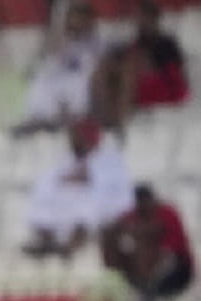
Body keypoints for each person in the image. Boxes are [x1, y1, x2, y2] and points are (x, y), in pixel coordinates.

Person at [24, 120, 132, 257]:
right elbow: (54, 176)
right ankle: (46, 242)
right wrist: (69, 178)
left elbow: (107, 184)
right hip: (70, 198)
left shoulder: (108, 157)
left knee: (84, 210)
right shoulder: (69, 157)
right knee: (45, 201)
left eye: (76, 137)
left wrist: (84, 178)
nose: (72, 141)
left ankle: (71, 246)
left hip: (106, 202)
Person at [92, 1, 188, 130]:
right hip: (138, 85)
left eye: (143, 17)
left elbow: (173, 73)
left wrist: (148, 66)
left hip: (166, 87)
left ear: (154, 18)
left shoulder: (166, 43)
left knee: (128, 71)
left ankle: (119, 120)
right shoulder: (138, 42)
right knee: (105, 68)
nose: (140, 21)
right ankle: (102, 118)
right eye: (138, 17)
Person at [14, 2, 103, 135]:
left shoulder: (97, 42)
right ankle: (38, 119)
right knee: (43, 78)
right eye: (73, 17)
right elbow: (36, 69)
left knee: (81, 81)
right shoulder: (62, 41)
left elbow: (93, 67)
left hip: (83, 84)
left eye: (80, 17)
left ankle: (73, 119)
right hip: (61, 82)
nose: (77, 21)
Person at [102, 185, 194, 301]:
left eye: (146, 202)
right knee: (117, 238)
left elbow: (175, 243)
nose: (144, 206)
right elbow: (118, 224)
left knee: (144, 244)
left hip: (177, 270)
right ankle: (123, 287)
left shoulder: (167, 213)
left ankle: (147, 293)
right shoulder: (135, 214)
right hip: (145, 271)